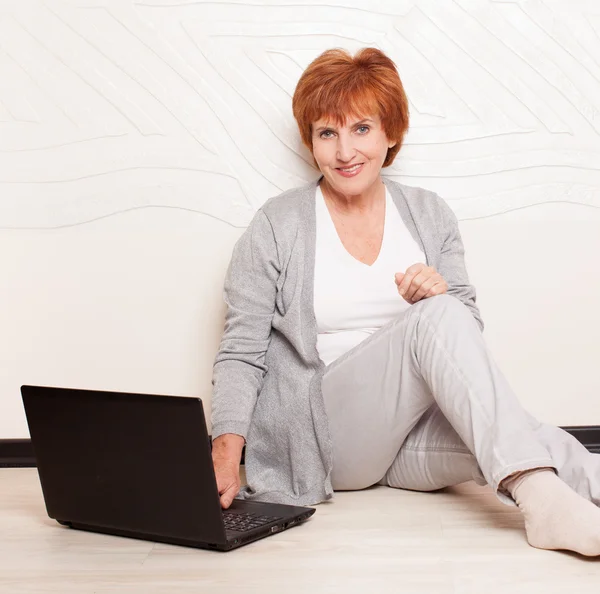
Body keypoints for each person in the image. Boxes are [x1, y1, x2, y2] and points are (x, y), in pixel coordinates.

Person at [210, 47, 600, 556]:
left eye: (361, 129)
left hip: (400, 443)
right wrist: (224, 450)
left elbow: (467, 344)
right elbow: (242, 349)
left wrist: (444, 297)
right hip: (324, 439)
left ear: (391, 132)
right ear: (310, 142)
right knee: (439, 319)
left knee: (533, 438)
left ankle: (550, 497)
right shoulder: (276, 225)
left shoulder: (429, 214)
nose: (345, 151)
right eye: (328, 133)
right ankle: (542, 507)